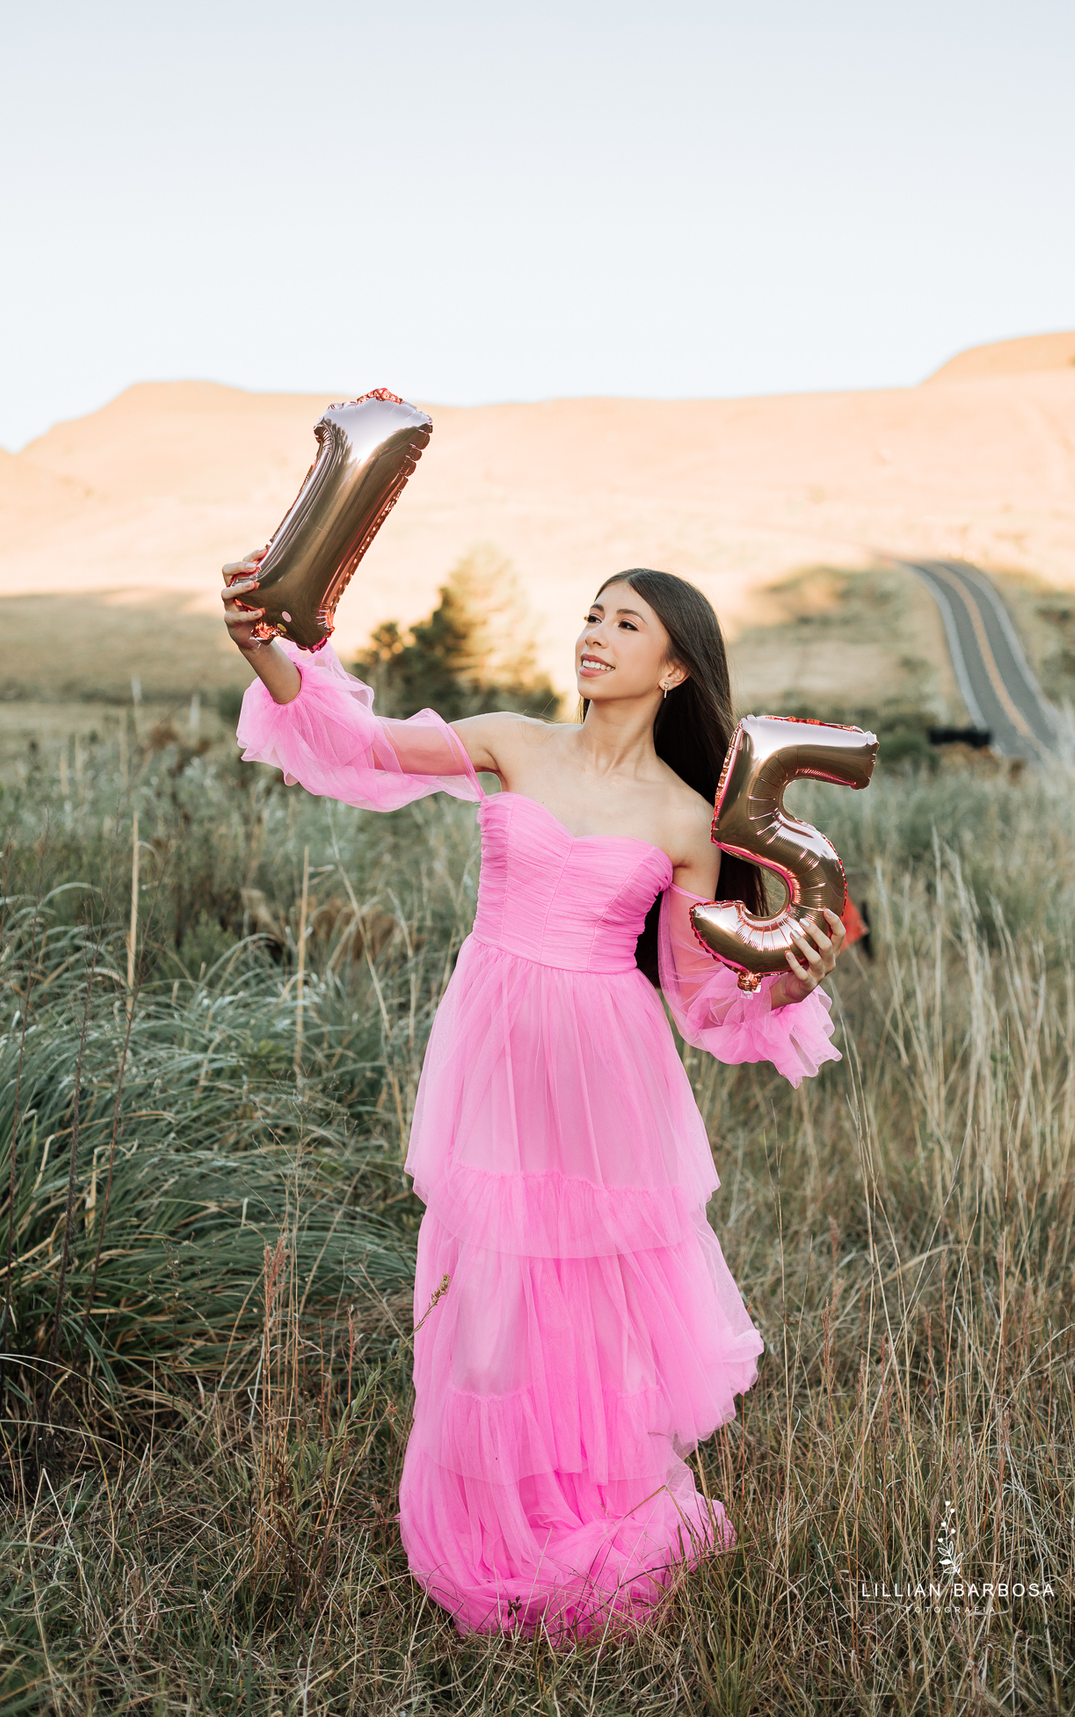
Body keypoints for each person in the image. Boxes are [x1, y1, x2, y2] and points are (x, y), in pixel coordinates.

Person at [222, 555, 845, 1640]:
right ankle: (493, 1518)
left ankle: (587, 1503)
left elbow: (698, 997)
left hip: (608, 1068)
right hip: (494, 1046)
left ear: (677, 668)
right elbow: (363, 747)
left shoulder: (688, 820)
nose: (595, 633)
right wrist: (265, 650)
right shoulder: (515, 740)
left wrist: (785, 981)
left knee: (587, 1298)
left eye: (627, 623)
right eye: (593, 614)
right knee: (490, 1287)